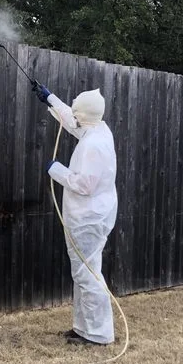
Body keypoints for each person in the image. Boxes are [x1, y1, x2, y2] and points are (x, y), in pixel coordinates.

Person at [31, 82, 118, 345]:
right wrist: (50, 99)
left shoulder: (94, 145)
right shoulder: (98, 128)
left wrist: (55, 170)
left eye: (76, 109)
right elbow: (74, 121)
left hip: (88, 219)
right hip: (91, 216)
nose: (74, 113)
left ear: (84, 114)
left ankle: (98, 334)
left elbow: (84, 184)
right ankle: (83, 329)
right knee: (83, 273)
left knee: (87, 274)